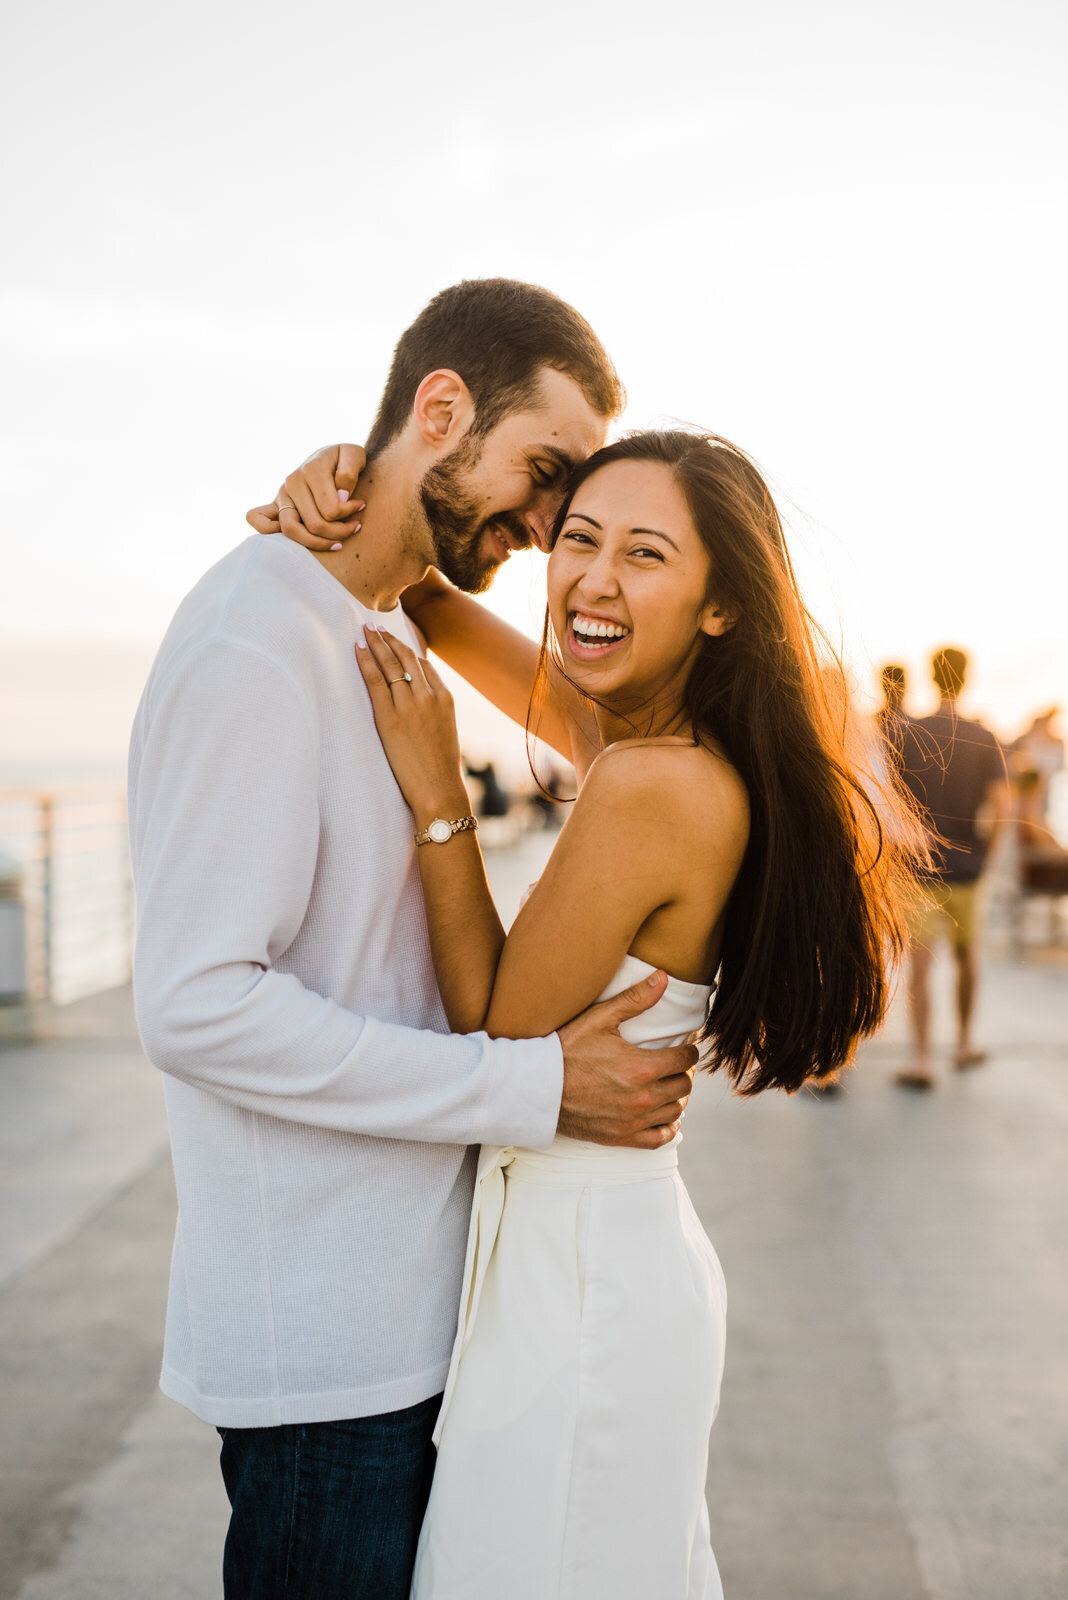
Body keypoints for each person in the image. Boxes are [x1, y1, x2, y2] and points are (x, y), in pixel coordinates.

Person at [128, 279, 702, 1600]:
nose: (556, 527)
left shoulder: (376, 622)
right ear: (442, 409)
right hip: (328, 1361)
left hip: (423, 1321)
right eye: (547, 473)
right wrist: (535, 1089)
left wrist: (392, 549)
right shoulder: (255, 644)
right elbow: (199, 1004)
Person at [279, 428, 912, 1597]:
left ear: (721, 603)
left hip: (582, 1290)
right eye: (575, 541)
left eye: (644, 553)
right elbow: (482, 643)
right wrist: (359, 507)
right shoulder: (666, 752)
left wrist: (436, 792)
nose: (593, 579)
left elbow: (494, 1025)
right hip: (593, 1262)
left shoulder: (652, 784)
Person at [892, 647, 1009, 1089]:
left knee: (920, 965)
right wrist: (989, 858)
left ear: (932, 677)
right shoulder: (983, 735)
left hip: (918, 868)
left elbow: (891, 802)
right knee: (966, 957)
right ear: (966, 678)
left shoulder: (908, 733)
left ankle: (921, 1059)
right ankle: (962, 1044)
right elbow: (1002, 806)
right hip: (968, 865)